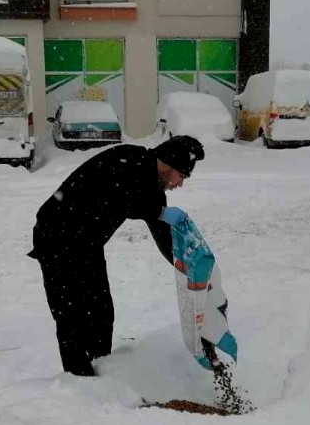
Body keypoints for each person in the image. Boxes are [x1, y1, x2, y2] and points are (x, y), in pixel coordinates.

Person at [28, 135, 206, 376]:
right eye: (182, 176)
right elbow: (127, 198)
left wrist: (185, 266)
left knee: (100, 311)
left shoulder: (152, 185)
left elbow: (163, 234)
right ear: (168, 164)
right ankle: (79, 380)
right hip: (56, 236)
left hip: (86, 243)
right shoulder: (127, 160)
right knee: (72, 315)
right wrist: (159, 211)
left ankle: (104, 371)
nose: (180, 184)